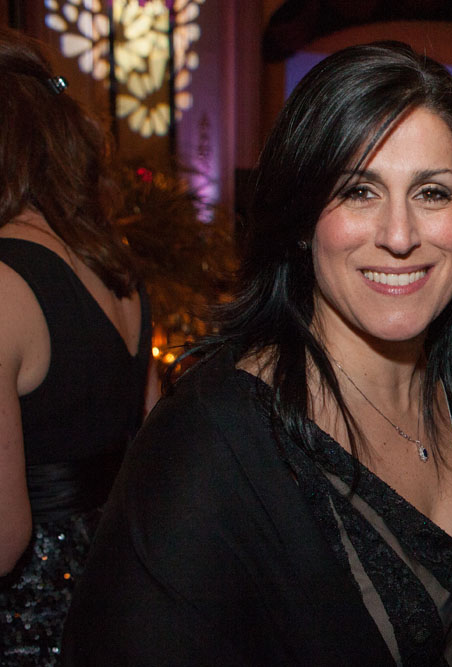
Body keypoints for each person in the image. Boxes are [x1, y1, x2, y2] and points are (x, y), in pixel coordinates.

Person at [61, 42, 452, 665]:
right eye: (358, 191)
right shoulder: (211, 442)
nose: (401, 235)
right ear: (301, 218)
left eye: (431, 192)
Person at [0, 29, 152, 665]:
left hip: (26, 630)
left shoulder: (3, 283)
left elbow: (4, 539)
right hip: (121, 603)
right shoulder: (118, 271)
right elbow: (151, 455)